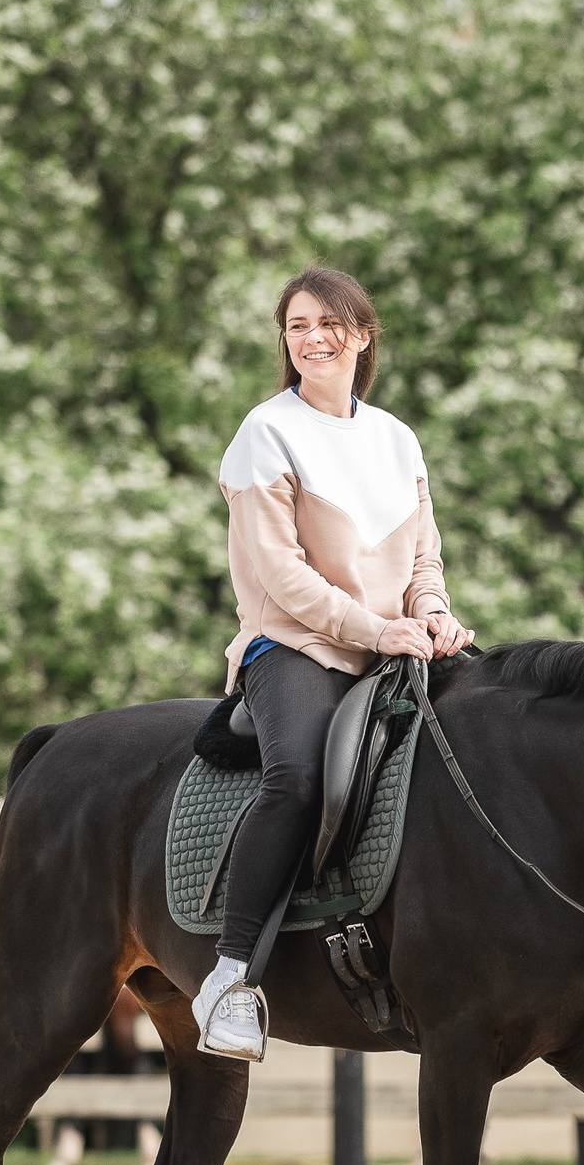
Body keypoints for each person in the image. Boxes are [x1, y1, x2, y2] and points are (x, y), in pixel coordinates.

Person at [193, 267, 474, 1058]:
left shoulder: (396, 438)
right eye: (296, 325)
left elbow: (424, 559)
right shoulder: (265, 433)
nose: (311, 338)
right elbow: (281, 575)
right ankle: (229, 976)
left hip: (393, 641)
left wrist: (434, 614)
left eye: (327, 324)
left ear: (362, 334)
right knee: (299, 779)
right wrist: (374, 629)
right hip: (296, 645)